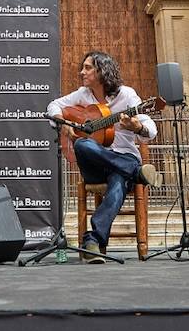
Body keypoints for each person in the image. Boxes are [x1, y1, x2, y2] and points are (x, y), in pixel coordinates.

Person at [47, 51, 157, 263]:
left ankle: (93, 240)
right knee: (83, 143)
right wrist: (63, 124)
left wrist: (138, 127)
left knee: (118, 181)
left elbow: (150, 127)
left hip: (122, 158)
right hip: (96, 166)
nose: (82, 72)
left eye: (88, 68)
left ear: (102, 71)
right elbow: (53, 106)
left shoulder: (127, 96)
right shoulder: (82, 94)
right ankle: (136, 172)